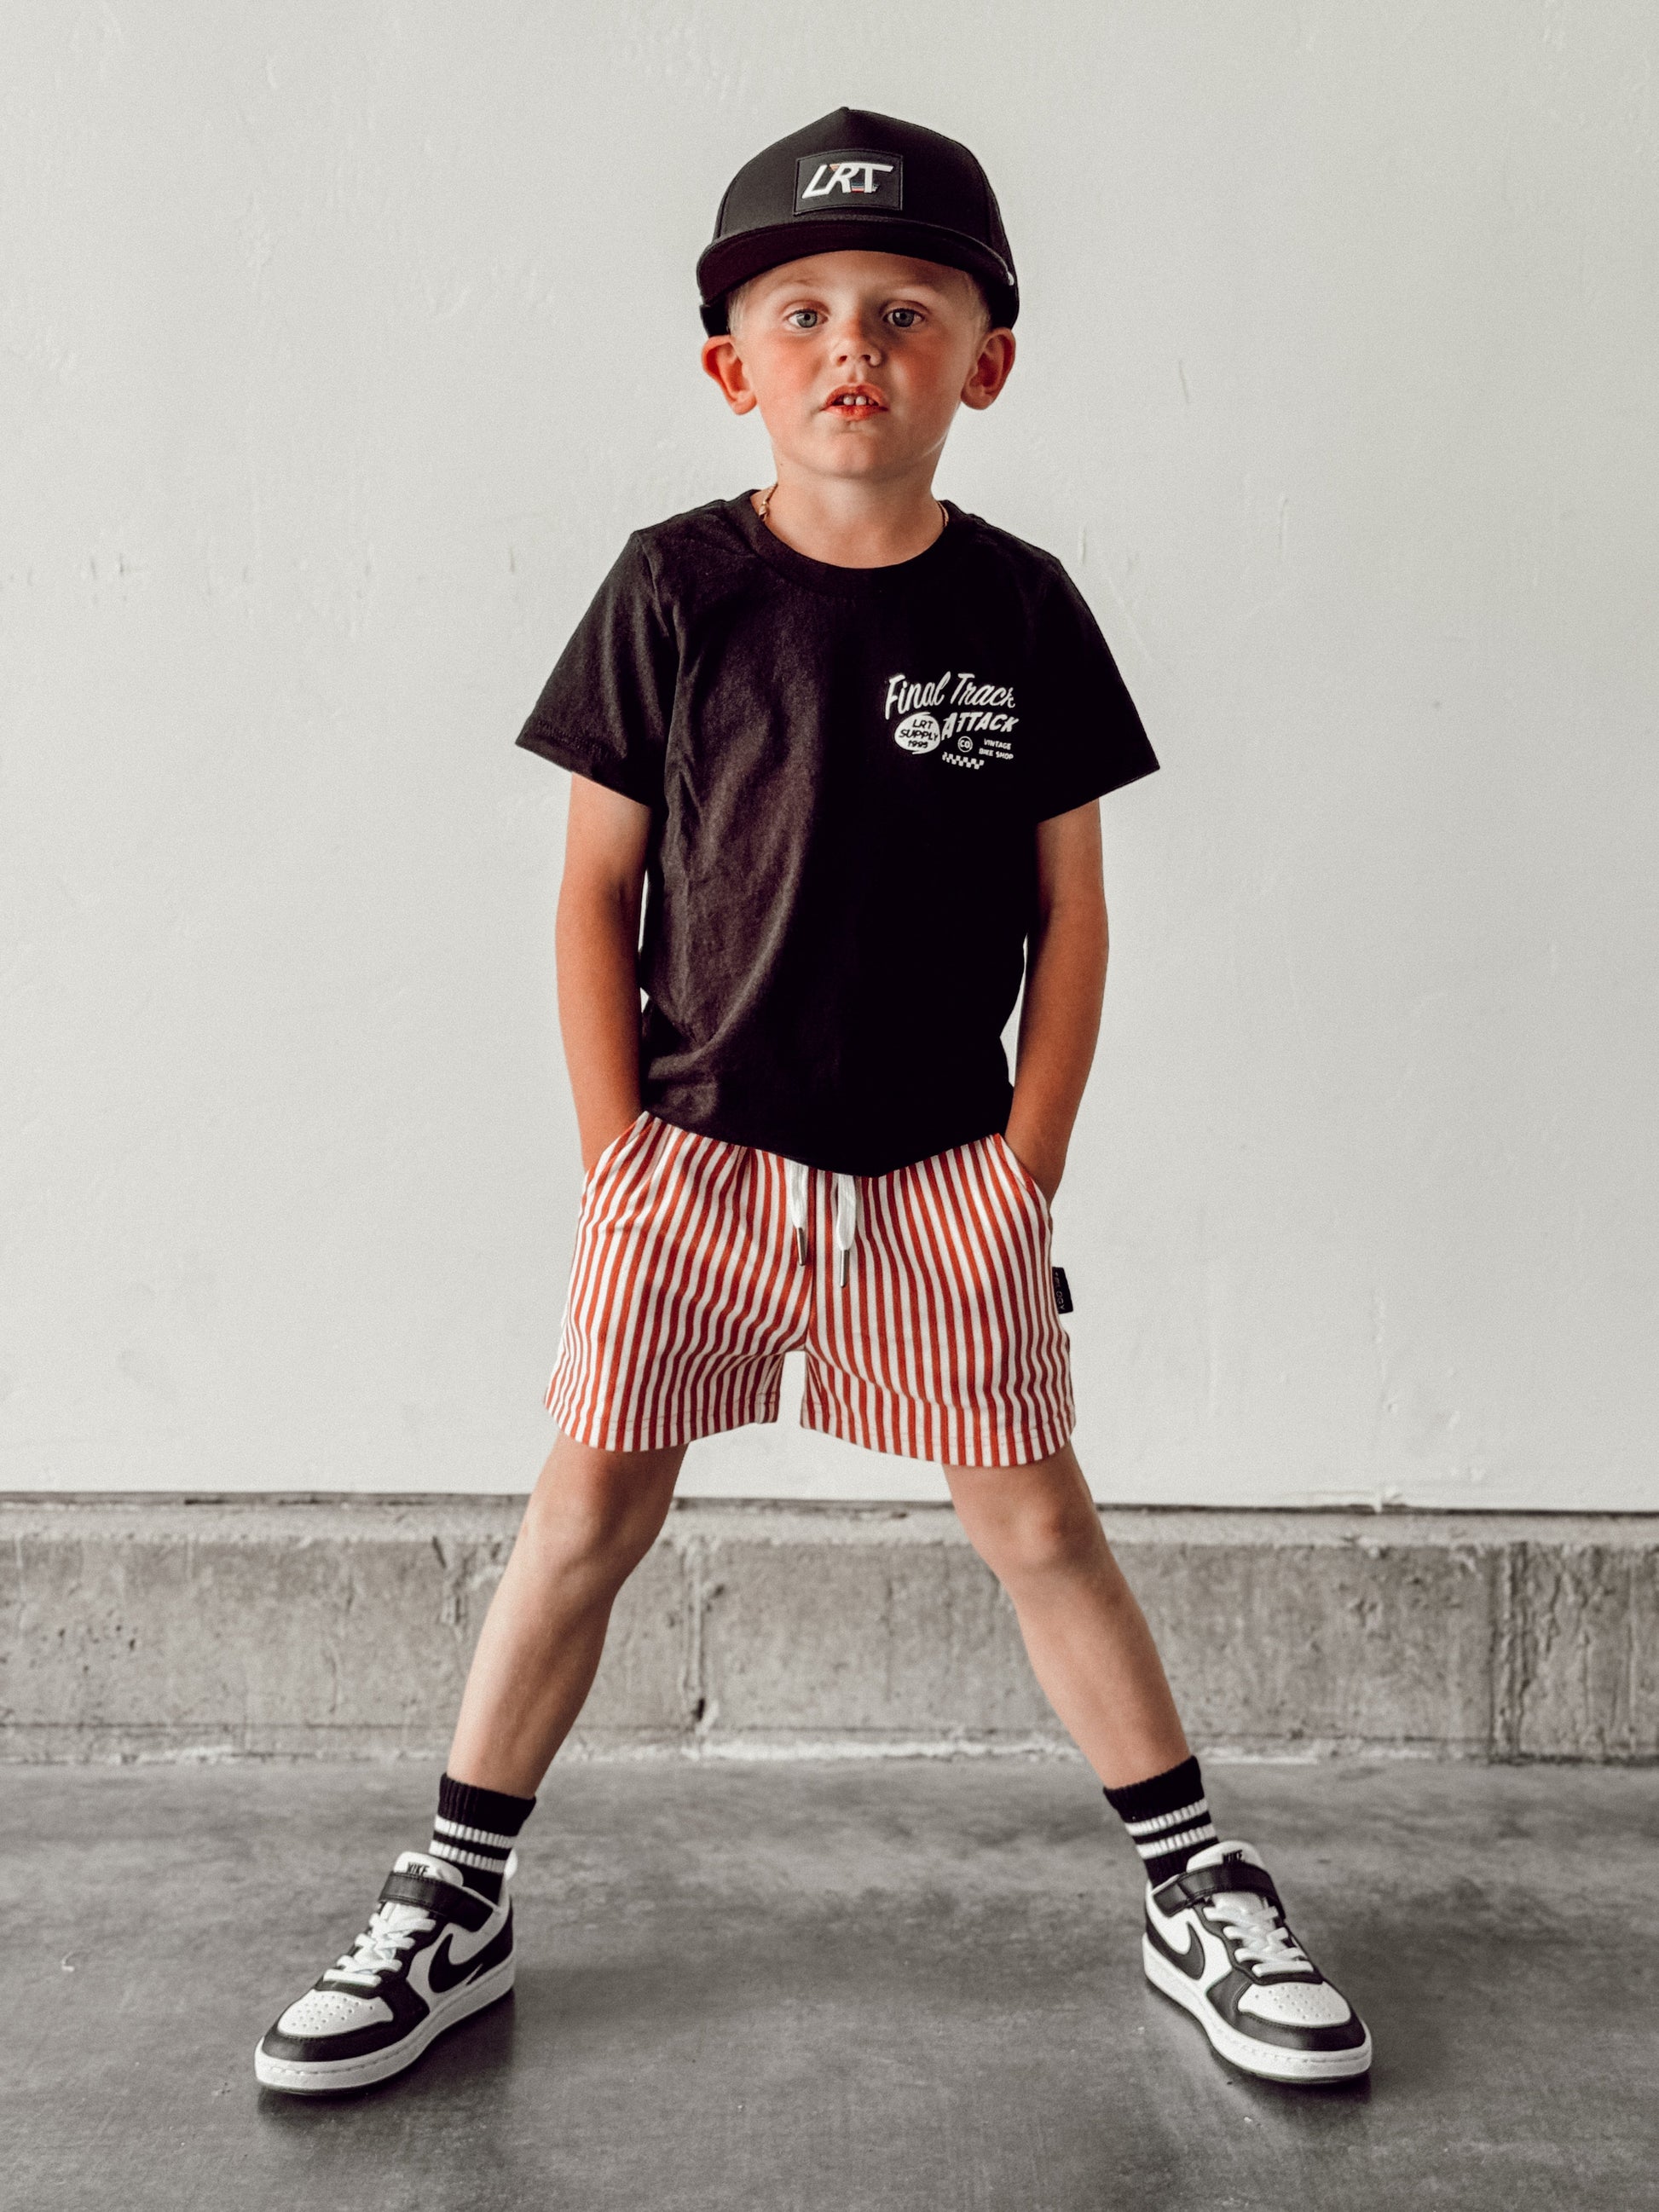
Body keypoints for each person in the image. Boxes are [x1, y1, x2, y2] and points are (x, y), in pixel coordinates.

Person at [256, 106, 1369, 2096]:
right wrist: (617, 1157)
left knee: (1037, 1517)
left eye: (906, 311)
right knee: (587, 1508)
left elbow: (1074, 913)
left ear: (982, 364)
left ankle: (1197, 1879)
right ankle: (454, 1890)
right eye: (805, 312)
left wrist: (1024, 1168)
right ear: (733, 368)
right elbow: (594, 893)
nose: (855, 344)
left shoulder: (1021, 609)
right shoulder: (671, 586)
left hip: (940, 1169)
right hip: (691, 1157)